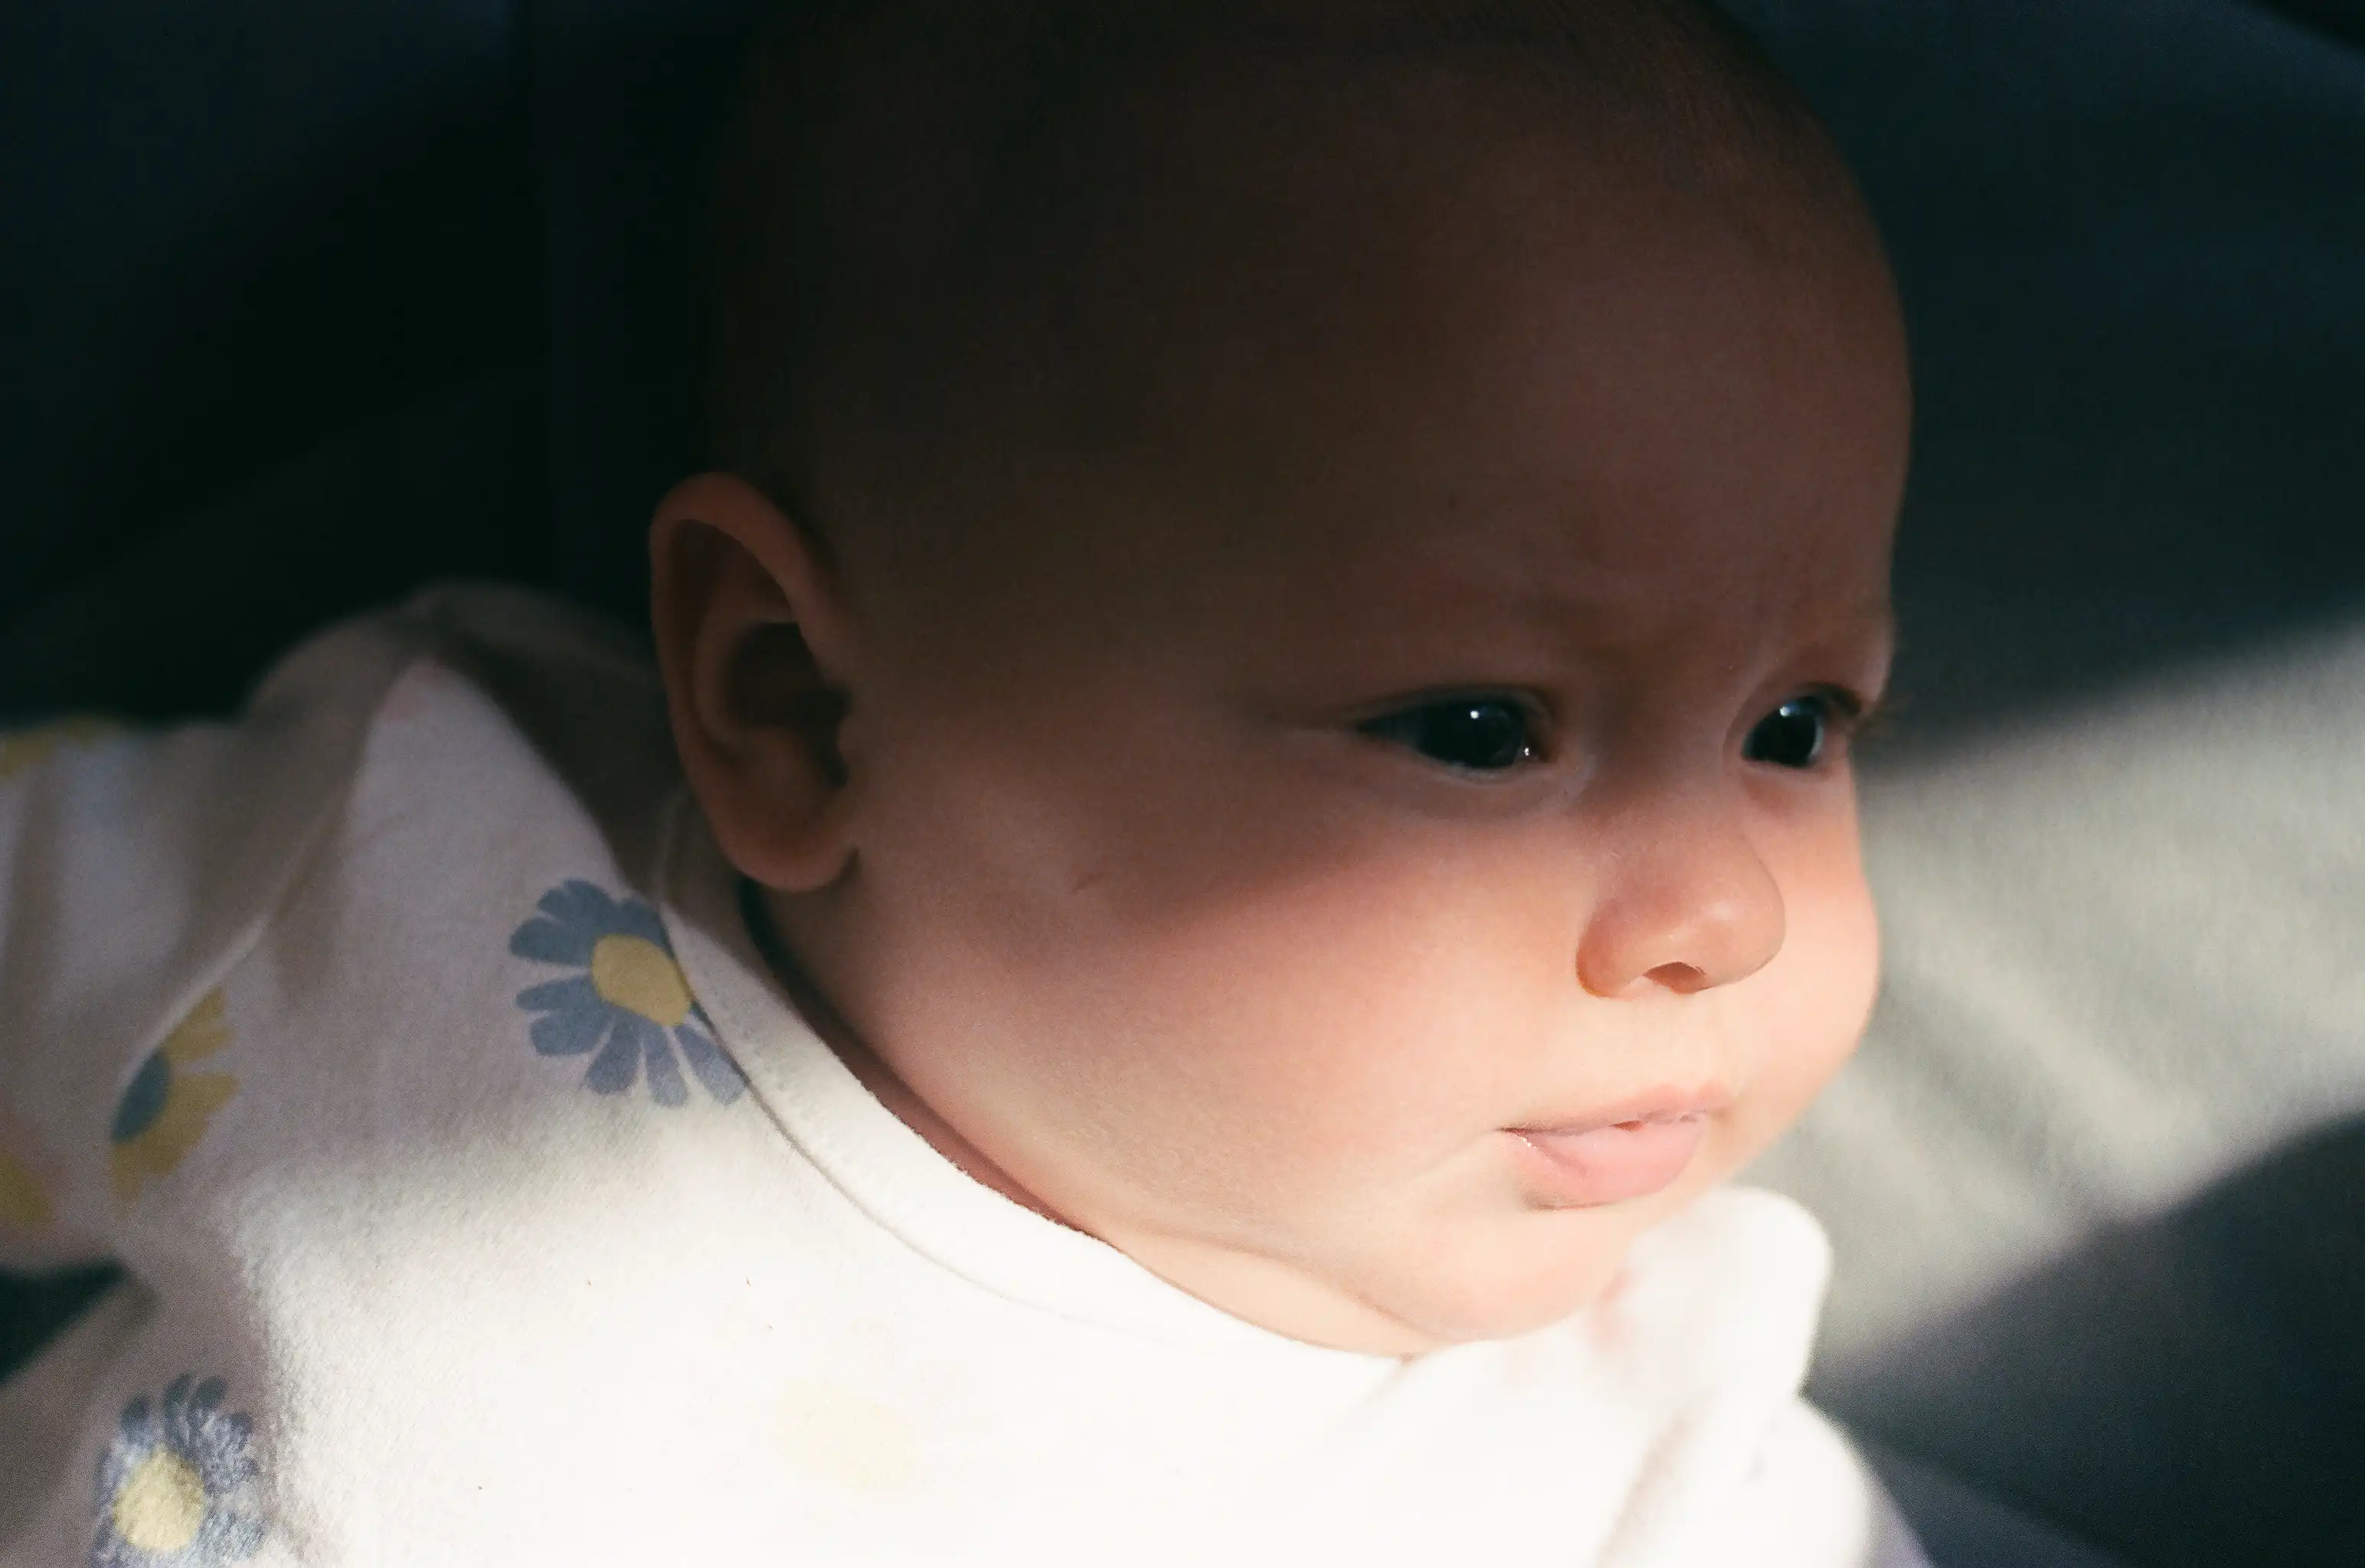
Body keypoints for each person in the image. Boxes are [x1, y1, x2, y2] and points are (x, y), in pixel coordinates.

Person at [0, 2, 1925, 1560]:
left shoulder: (1669, 1470)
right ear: (793, 705)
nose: (1726, 910)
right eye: (1481, 728)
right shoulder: (414, 860)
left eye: (1796, 727)